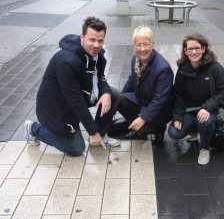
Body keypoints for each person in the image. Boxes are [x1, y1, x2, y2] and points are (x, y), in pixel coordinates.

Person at [24, 16, 120, 156]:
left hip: (79, 95)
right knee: (76, 149)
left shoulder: (97, 54)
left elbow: (100, 77)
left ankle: (100, 136)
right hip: (57, 109)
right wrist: (92, 131)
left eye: (100, 40)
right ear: (82, 37)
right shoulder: (66, 61)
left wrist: (105, 93)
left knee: (113, 94)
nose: (96, 45)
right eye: (92, 40)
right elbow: (76, 101)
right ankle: (33, 128)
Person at [168, 33, 224, 165]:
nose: (194, 51)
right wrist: (177, 117)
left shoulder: (215, 68)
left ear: (203, 49)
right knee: (174, 132)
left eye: (197, 48)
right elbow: (178, 96)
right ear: (185, 51)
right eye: (190, 49)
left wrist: (207, 107)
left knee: (205, 121)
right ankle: (195, 129)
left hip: (211, 109)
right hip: (191, 109)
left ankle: (204, 148)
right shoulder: (182, 70)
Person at [112, 26, 174, 145]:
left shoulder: (163, 69)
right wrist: (117, 101)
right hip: (143, 99)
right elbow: (131, 80)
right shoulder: (136, 59)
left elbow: (160, 100)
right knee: (118, 99)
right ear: (134, 45)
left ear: (152, 44)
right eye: (138, 45)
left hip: (161, 109)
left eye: (146, 44)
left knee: (142, 129)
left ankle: (159, 129)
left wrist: (143, 118)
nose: (142, 49)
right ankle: (134, 124)